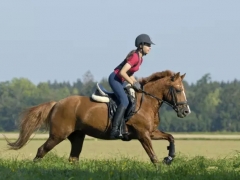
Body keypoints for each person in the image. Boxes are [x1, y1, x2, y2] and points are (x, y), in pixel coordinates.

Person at [108, 34, 155, 139]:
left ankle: (124, 125)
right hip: (115, 79)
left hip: (122, 80)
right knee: (125, 101)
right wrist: (133, 83)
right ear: (141, 45)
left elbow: (129, 74)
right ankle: (114, 130)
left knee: (132, 99)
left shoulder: (140, 59)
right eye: (148, 45)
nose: (150, 47)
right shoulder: (135, 56)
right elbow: (122, 72)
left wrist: (137, 83)